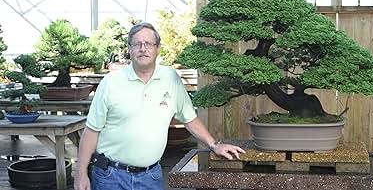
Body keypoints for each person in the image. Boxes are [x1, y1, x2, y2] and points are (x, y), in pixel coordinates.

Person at [74, 22, 245, 190]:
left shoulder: (170, 78)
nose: (143, 48)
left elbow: (189, 119)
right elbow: (92, 131)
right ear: (130, 49)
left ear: (158, 49)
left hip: (151, 176)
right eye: (137, 44)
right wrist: (81, 173)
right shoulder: (110, 83)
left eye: (148, 43)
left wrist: (214, 145)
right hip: (111, 177)